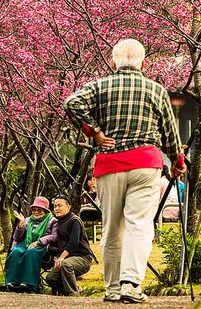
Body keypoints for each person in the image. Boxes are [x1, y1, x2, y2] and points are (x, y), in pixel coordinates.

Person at [64, 38, 186, 304]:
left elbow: (72, 103)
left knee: (111, 228)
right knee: (138, 225)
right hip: (145, 164)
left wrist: (95, 132)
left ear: (113, 63)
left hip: (109, 165)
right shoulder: (155, 90)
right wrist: (178, 162)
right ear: (143, 64)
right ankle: (130, 284)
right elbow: (170, 133)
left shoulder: (100, 86)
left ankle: (111, 288)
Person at [0, 196, 58, 294]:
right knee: (16, 251)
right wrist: (21, 225)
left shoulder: (52, 221)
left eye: (39, 210)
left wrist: (39, 242)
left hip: (42, 245)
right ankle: (12, 282)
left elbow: (54, 236)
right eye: (34, 210)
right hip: (26, 243)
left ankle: (29, 284)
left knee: (31, 252)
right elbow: (17, 238)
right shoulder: (27, 220)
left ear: (45, 211)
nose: (36, 212)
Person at [45, 196, 94, 296]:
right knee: (51, 278)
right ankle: (76, 289)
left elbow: (73, 243)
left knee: (66, 264)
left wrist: (61, 257)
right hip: (68, 259)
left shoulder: (74, 220)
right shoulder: (59, 222)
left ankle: (73, 296)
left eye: (60, 206)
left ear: (68, 207)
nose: (57, 208)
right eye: (55, 206)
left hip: (82, 258)